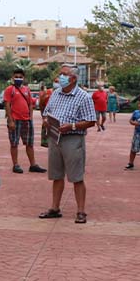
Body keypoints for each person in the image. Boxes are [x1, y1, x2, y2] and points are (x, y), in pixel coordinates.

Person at [39, 65, 97, 224]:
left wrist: (71, 126)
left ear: (73, 79)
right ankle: (54, 208)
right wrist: (45, 121)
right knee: (56, 175)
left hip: (72, 139)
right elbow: (47, 112)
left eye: (64, 75)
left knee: (76, 177)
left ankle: (81, 211)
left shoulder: (83, 97)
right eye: (60, 74)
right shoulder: (56, 93)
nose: (60, 77)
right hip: (54, 138)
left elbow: (91, 121)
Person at [3, 69, 45, 174]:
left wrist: (30, 117)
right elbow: (7, 104)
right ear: (12, 78)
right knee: (14, 143)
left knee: (30, 144)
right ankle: (16, 164)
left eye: (20, 77)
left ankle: (33, 165)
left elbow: (30, 104)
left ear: (24, 78)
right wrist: (10, 120)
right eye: (16, 76)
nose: (18, 78)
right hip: (15, 120)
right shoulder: (9, 89)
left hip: (27, 121)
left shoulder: (27, 89)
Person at [38, 83, 52, 148]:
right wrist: (43, 114)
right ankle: (45, 141)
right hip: (48, 114)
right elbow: (41, 103)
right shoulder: (47, 93)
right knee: (46, 125)